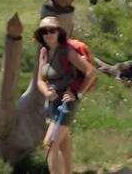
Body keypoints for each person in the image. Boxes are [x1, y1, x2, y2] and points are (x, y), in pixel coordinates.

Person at [34, 16, 97, 174]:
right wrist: (46, 92)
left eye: (52, 30)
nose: (48, 34)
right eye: (44, 31)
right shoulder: (44, 52)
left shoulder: (67, 52)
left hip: (66, 103)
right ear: (41, 35)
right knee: (63, 145)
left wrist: (78, 94)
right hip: (52, 103)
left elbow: (91, 72)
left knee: (50, 143)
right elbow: (39, 80)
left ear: (58, 32)